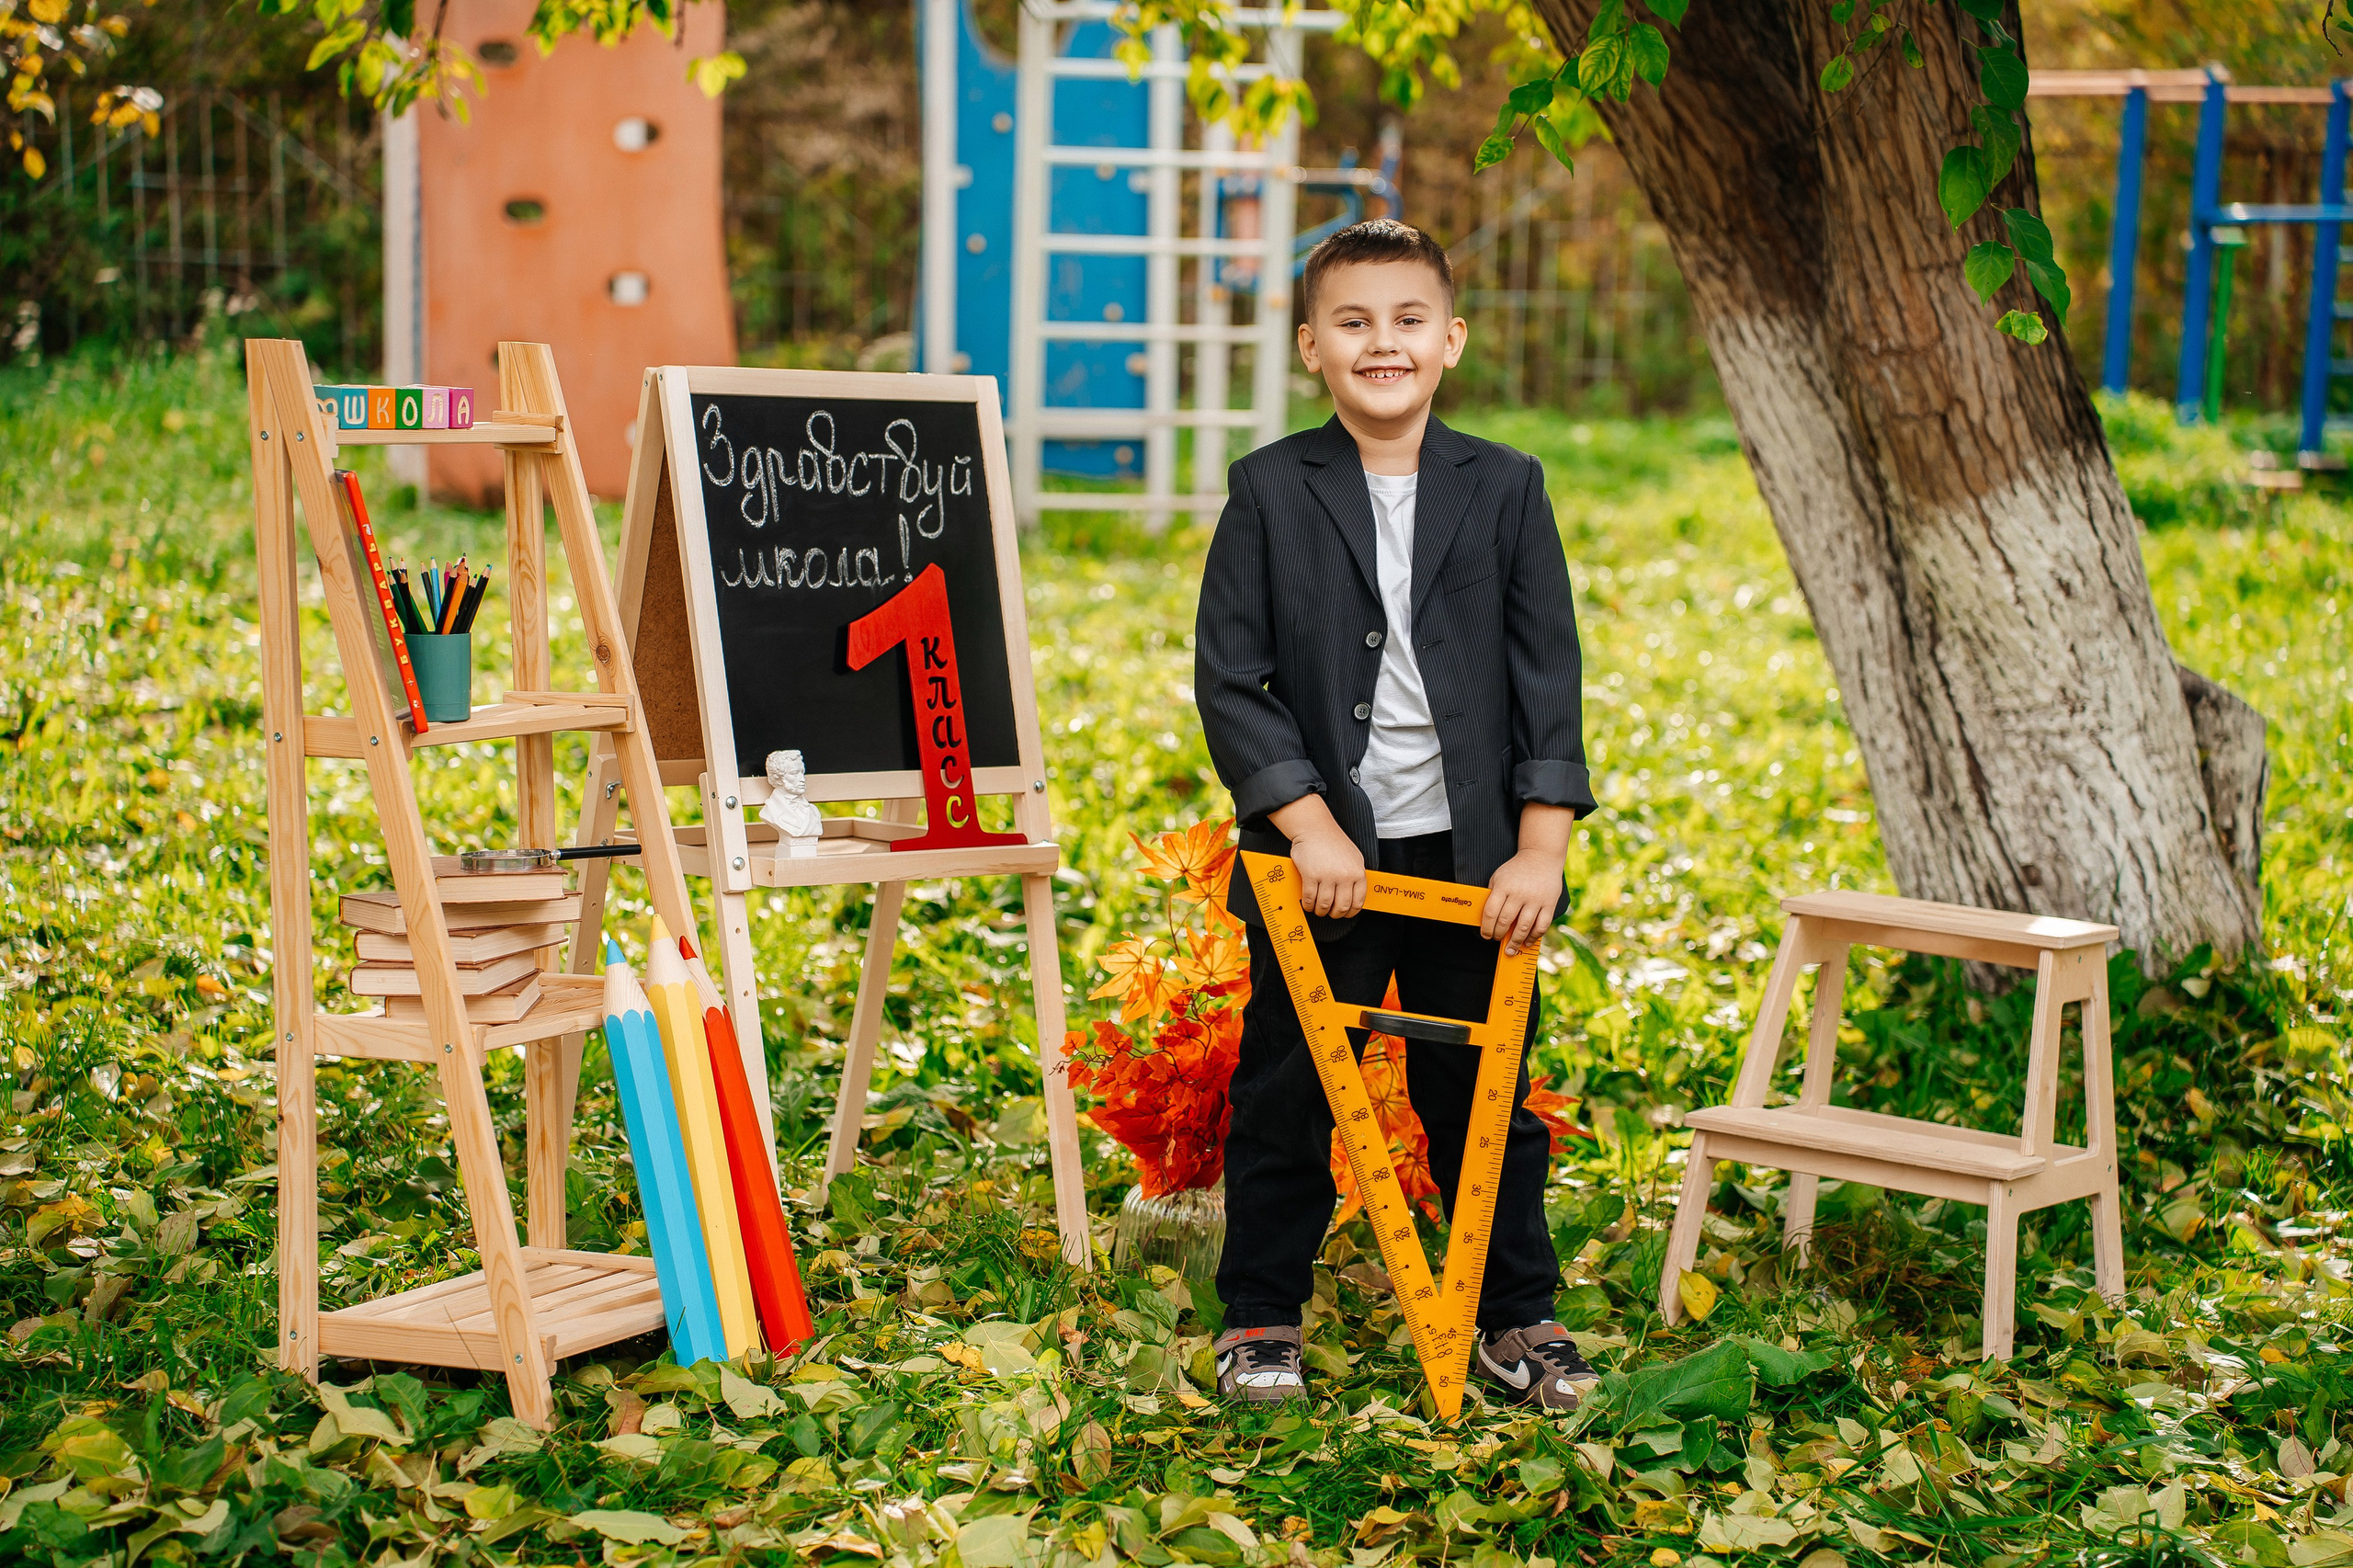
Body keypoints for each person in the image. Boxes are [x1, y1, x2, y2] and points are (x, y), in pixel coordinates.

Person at [1195, 219, 1598, 1412]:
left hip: (1475, 867)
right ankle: (1261, 1313)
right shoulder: (1269, 489)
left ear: (1452, 341)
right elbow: (1232, 678)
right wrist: (1308, 821)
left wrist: (1541, 845)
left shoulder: (1509, 487)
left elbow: (1549, 682)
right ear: (1312, 345)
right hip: (1323, 869)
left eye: (1409, 319)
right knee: (1285, 1089)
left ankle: (1514, 1314)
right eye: (1355, 322)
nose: (1385, 342)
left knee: (1485, 1102)